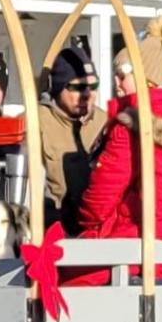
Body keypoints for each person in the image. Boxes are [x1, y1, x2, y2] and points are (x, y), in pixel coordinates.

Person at [72, 16, 162, 285]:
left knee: (65, 278)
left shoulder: (133, 124)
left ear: (145, 77)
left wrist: (85, 222)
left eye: (123, 76)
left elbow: (104, 193)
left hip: (144, 245)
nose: (117, 84)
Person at [37, 47, 109, 234]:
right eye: (77, 87)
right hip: (52, 231)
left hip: (98, 231)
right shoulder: (36, 122)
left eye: (93, 87)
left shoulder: (106, 123)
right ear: (59, 87)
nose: (88, 94)